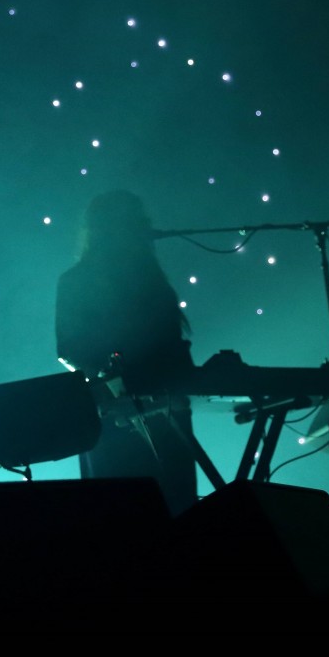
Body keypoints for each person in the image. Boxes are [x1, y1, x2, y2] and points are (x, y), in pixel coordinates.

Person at [54, 189, 198, 516]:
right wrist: (112, 377)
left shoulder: (150, 279)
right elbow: (68, 348)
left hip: (167, 406)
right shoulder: (76, 282)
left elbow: (169, 342)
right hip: (113, 416)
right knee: (124, 515)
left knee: (178, 509)